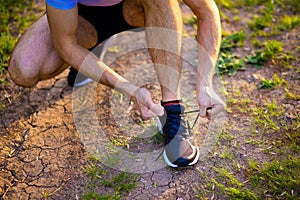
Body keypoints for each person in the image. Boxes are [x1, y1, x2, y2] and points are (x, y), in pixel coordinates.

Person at [8, 0, 225, 168]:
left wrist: (205, 84)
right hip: (82, 18)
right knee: (24, 68)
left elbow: (206, 11)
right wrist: (129, 89)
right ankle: (95, 44)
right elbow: (66, 44)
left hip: (135, 8)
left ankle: (172, 109)